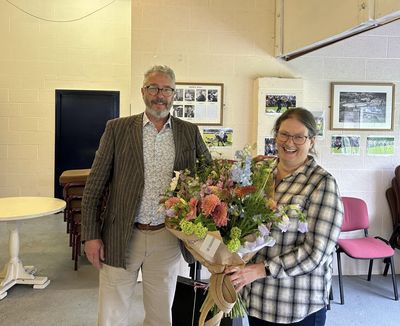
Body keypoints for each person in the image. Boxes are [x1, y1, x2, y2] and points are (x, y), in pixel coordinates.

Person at [81, 65, 211, 326]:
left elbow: (210, 178)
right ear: (143, 92)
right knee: (111, 313)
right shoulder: (117, 129)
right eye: (153, 87)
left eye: (166, 89)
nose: (159, 95)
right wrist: (91, 235)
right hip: (121, 235)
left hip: (168, 236)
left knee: (161, 314)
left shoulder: (189, 132)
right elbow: (95, 184)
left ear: (174, 94)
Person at [226, 108, 343, 326]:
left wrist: (261, 270)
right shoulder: (260, 173)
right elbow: (240, 224)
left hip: (295, 305)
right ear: (276, 136)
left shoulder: (322, 183)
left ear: (312, 142)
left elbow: (315, 253)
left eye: (299, 137)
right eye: (284, 134)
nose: (290, 142)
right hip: (256, 298)